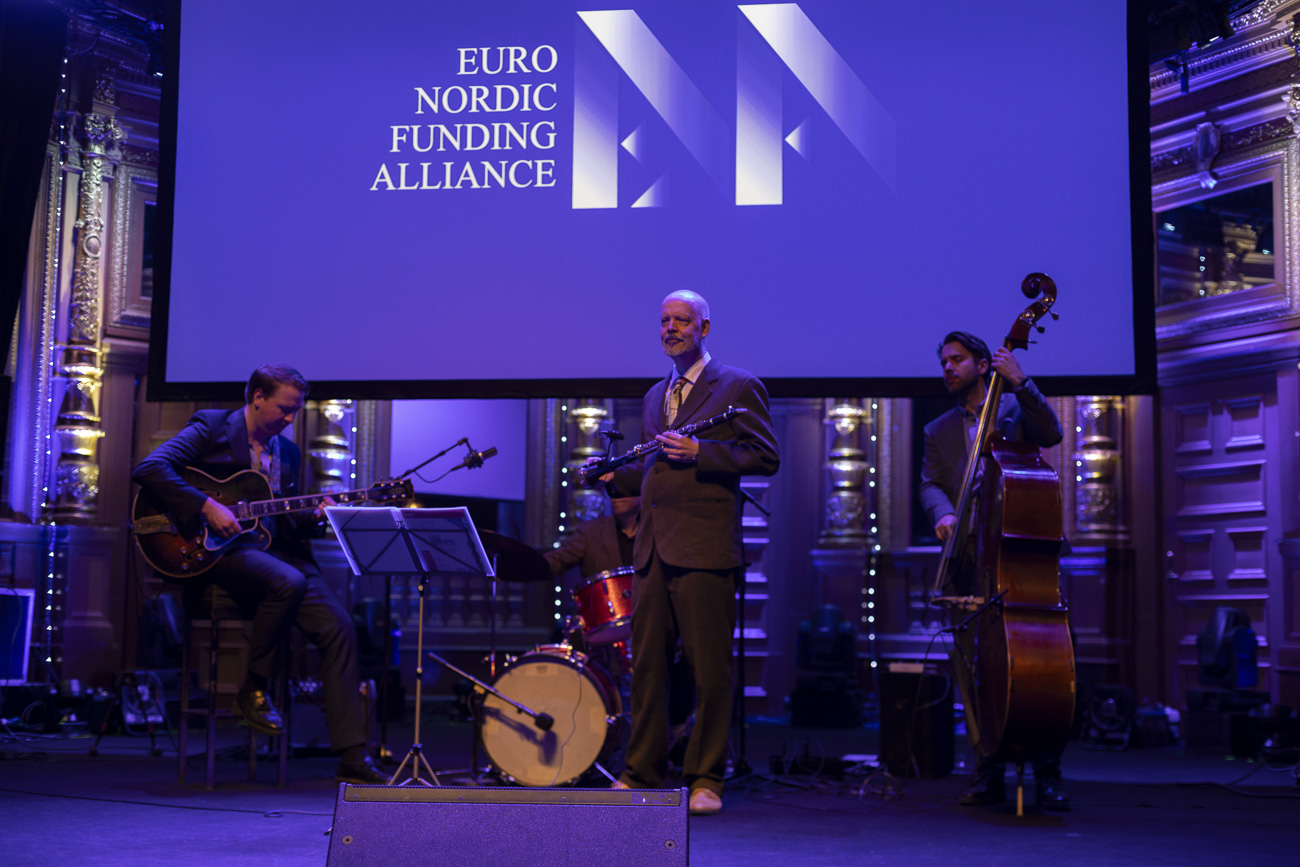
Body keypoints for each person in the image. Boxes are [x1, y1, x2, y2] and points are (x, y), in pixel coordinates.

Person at [133, 363, 386, 784]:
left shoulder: (286, 452)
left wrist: (316, 516)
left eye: (296, 412)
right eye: (284, 409)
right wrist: (206, 506)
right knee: (288, 581)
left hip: (275, 552)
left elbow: (286, 522)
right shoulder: (211, 427)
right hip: (217, 551)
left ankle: (352, 755)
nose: (290, 420)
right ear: (257, 397)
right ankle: (253, 689)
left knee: (341, 627)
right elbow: (150, 468)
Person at [600, 290, 780, 816]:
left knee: (710, 672)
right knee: (648, 670)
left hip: (704, 548)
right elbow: (654, 465)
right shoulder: (657, 393)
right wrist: (615, 476)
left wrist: (704, 451)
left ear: (704, 328)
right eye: (663, 321)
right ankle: (641, 773)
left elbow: (765, 455)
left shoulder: (739, 385)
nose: (670, 329)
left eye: (681, 321)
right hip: (654, 547)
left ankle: (706, 780)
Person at [919, 330, 1070, 810]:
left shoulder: (1013, 408)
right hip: (968, 559)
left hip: (1020, 560)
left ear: (984, 365)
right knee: (976, 669)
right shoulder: (937, 430)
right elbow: (929, 484)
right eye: (944, 361)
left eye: (957, 360)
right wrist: (943, 512)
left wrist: (1022, 382)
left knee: (1038, 669)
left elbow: (1051, 434)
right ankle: (988, 769)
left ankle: (1047, 771)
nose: (948, 367)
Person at [543, 494, 641, 580]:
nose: (616, 495)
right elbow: (557, 560)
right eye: (612, 489)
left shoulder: (654, 530)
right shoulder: (590, 531)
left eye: (624, 488)